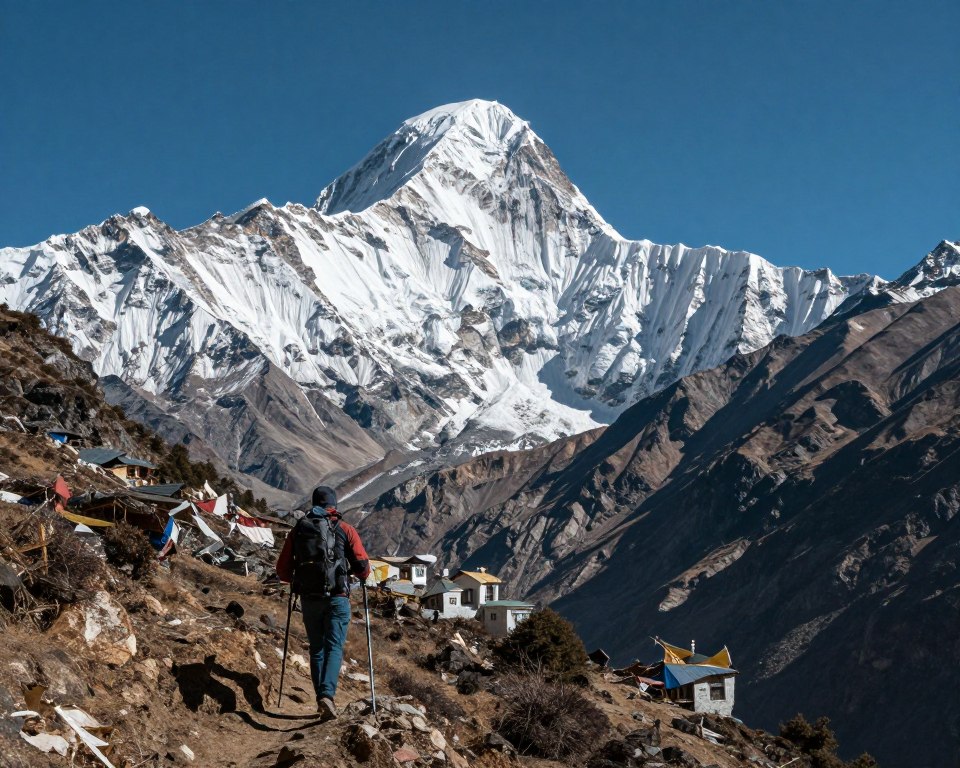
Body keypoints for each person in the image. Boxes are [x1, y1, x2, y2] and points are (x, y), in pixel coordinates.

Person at [276, 485, 370, 720]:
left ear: (314, 504)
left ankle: (322, 699)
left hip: (309, 599)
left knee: (317, 649)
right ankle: (327, 695)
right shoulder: (345, 529)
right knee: (334, 647)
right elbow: (363, 568)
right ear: (334, 505)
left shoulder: (299, 530)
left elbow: (283, 572)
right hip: (337, 597)